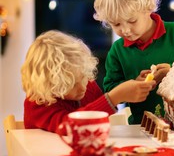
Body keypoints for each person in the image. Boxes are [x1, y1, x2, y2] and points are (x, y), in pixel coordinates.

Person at [21, 30, 155, 133]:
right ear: (50, 85)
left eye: (83, 77)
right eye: (72, 84)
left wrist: (130, 89)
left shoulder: (88, 86)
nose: (82, 88)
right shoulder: (38, 104)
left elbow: (100, 111)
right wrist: (113, 97)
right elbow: (71, 126)